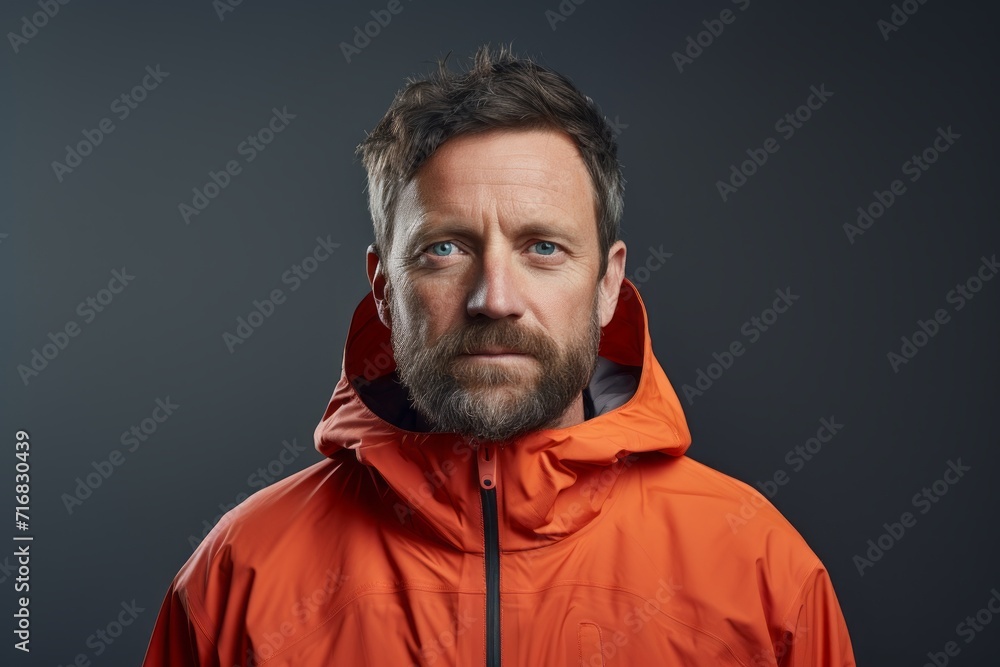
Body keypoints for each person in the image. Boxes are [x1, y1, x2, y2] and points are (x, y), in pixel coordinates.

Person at [141, 43, 856, 666]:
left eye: (543, 247)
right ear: (384, 288)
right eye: (444, 248)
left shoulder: (759, 570)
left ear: (608, 284)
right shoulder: (241, 576)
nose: (494, 296)